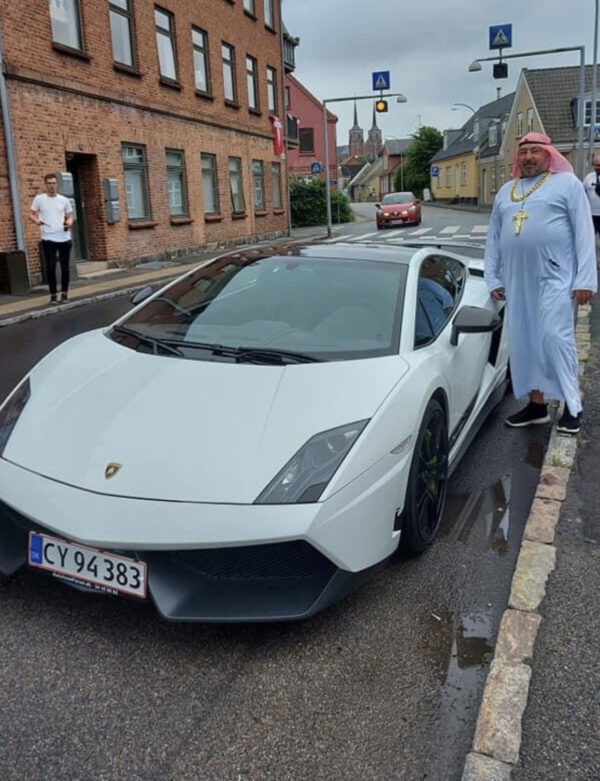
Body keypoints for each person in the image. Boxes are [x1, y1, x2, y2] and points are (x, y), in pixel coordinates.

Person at [485, 132, 597, 435]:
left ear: (548, 155)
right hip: (517, 280)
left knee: (554, 338)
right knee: (524, 340)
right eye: (524, 152)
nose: (529, 157)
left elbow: (584, 234)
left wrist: (586, 279)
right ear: (517, 157)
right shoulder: (506, 191)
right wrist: (493, 276)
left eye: (535, 151)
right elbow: (494, 238)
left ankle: (573, 406)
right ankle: (536, 406)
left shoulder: (568, 185)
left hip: (555, 277)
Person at [29, 173, 73, 304]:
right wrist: (36, 220)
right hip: (48, 237)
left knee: (65, 267)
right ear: (45, 184)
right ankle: (53, 294)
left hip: (64, 237)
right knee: (51, 266)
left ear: (57, 184)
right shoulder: (39, 199)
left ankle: (64, 294)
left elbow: (70, 217)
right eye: (49, 183)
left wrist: (69, 223)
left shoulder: (64, 200)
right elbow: (30, 214)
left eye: (54, 183)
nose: (51, 186)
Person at [583, 153, 600, 238]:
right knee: (590, 237)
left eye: (599, 165)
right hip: (591, 215)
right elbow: (583, 192)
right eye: (596, 165)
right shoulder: (589, 177)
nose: (597, 168)